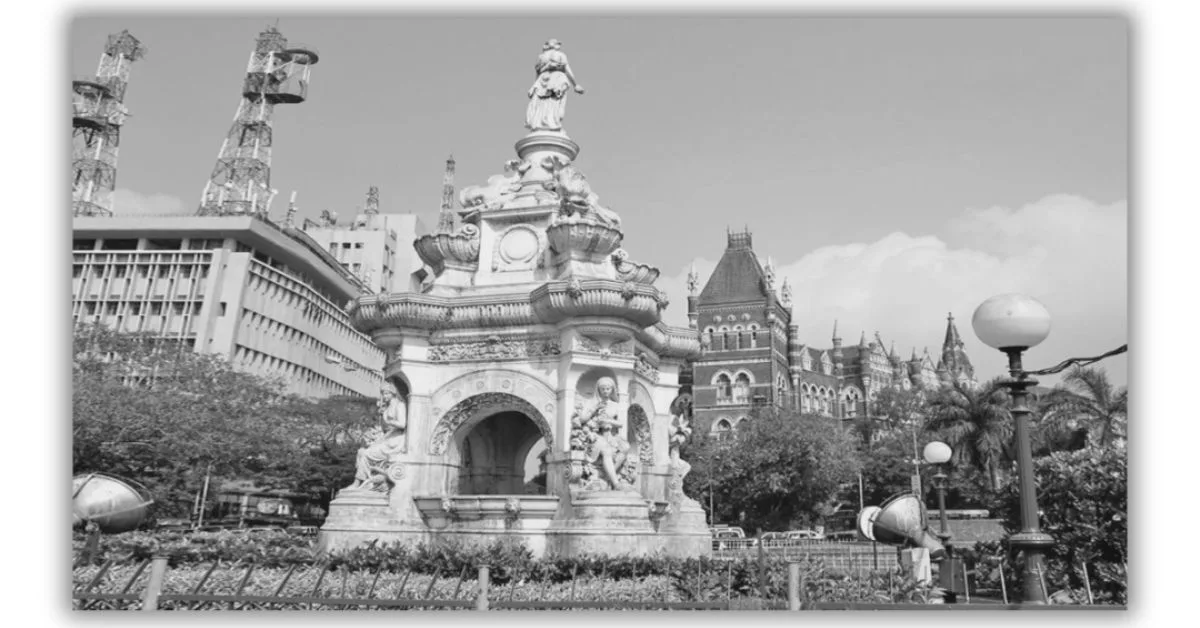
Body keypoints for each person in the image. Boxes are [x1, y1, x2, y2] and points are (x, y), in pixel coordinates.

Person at [345, 385, 408, 492]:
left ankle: (358, 483)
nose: (385, 396)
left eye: (387, 393)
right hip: (388, 437)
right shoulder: (387, 408)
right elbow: (385, 430)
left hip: (396, 440)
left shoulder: (400, 405)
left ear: (393, 394)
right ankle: (366, 481)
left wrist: (389, 422)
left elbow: (402, 424)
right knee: (361, 452)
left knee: (366, 454)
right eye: (383, 394)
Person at [583, 377, 634, 490]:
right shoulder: (592, 402)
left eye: (608, 389)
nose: (606, 391)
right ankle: (616, 483)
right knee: (606, 450)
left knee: (625, 447)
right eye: (603, 389)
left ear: (612, 390)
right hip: (596, 435)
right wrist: (594, 409)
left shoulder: (615, 405)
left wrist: (608, 421)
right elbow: (582, 419)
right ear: (599, 390)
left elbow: (620, 423)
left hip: (611, 435)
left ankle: (607, 476)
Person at [526, 39, 585, 132]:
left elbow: (538, 74)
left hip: (550, 80)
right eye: (556, 43)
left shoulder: (543, 56)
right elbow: (567, 69)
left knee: (552, 103)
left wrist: (575, 85)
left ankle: (550, 123)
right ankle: (547, 123)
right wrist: (575, 84)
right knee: (545, 103)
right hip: (553, 79)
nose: (558, 45)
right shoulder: (557, 55)